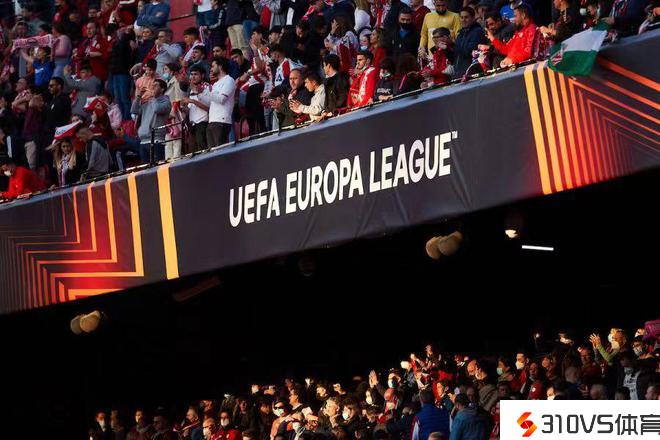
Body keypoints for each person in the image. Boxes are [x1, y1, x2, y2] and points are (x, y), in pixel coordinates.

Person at [130, 79, 172, 162]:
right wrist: (139, 96)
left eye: (155, 85)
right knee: (146, 168)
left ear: (162, 89)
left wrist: (153, 98)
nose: (152, 87)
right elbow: (134, 110)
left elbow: (157, 109)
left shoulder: (166, 102)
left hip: (156, 140)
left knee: (158, 166)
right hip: (143, 141)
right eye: (152, 85)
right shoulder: (148, 102)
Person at [207, 57, 236, 148]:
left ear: (220, 67)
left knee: (220, 151)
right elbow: (211, 101)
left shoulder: (229, 80)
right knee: (212, 153)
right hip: (212, 120)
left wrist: (208, 93)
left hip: (221, 120)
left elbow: (222, 99)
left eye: (213, 66)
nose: (211, 69)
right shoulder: (216, 83)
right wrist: (200, 93)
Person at [182, 65, 212, 151]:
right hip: (192, 125)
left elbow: (209, 108)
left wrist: (193, 101)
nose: (193, 77)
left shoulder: (207, 87)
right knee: (193, 152)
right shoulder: (191, 90)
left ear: (202, 75)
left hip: (203, 124)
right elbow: (190, 109)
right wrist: (182, 108)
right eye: (191, 74)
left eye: (195, 74)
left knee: (203, 152)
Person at [453, 7, 485, 78]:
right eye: (461, 17)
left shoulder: (477, 32)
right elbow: (456, 54)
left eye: (466, 17)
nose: (463, 20)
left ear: (473, 18)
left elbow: (469, 52)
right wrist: (447, 48)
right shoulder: (460, 34)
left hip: (472, 73)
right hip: (459, 73)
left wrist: (452, 44)